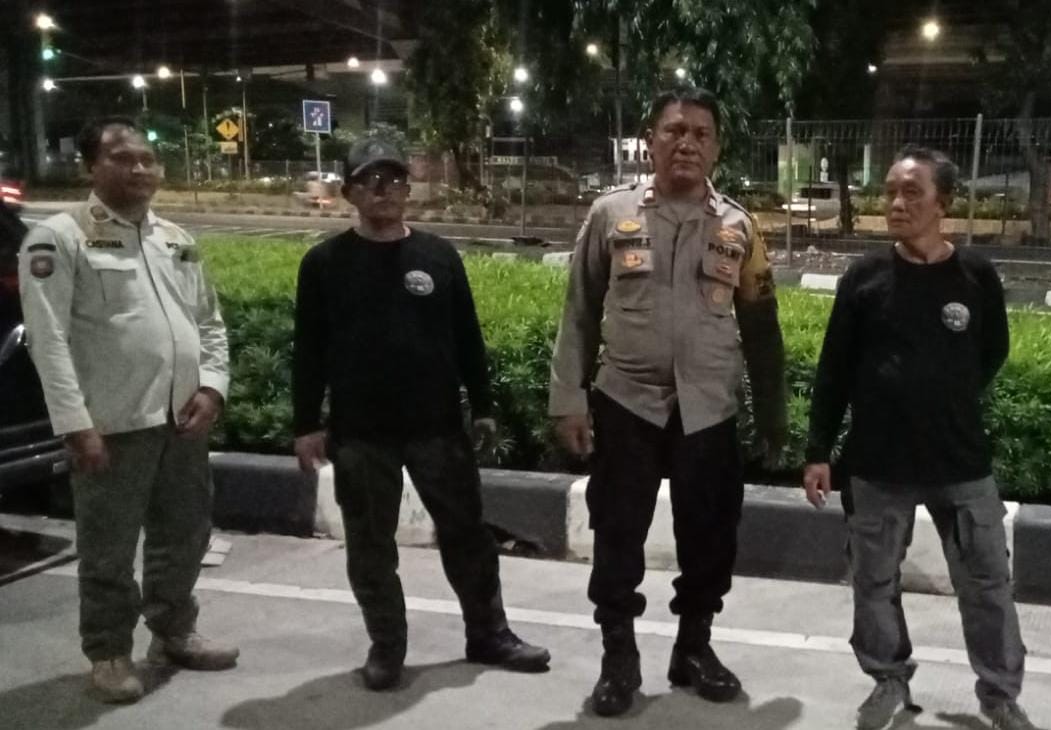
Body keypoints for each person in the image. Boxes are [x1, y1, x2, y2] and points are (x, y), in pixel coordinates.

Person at [548, 86, 787, 717]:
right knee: (617, 533)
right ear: (650, 141)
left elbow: (762, 326)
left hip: (708, 408)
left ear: (717, 148)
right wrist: (569, 399)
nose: (687, 143)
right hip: (626, 401)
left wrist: (774, 413)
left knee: (710, 535)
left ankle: (693, 649)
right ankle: (618, 658)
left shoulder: (739, 227)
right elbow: (579, 311)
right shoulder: (610, 213)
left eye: (701, 134)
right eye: (674, 131)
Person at [291, 137, 550, 691]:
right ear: (349, 192)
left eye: (394, 180)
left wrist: (483, 407)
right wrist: (306, 424)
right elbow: (308, 349)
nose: (384, 190)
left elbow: (467, 336)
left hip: (438, 427)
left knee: (468, 537)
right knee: (370, 546)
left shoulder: (438, 256)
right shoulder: (324, 264)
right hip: (362, 434)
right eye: (371, 180)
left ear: (409, 190)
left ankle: (489, 633)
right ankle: (387, 647)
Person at [803, 147, 1036, 730]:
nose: (897, 204)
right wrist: (818, 451)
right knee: (874, 582)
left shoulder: (976, 276)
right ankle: (888, 679)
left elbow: (992, 352)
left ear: (944, 203)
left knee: (987, 584)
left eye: (912, 192)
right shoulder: (865, 278)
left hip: (961, 461)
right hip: (876, 464)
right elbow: (834, 369)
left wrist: (942, 396)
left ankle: (999, 694)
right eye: (890, 192)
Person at [19, 116, 237, 703]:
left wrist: (212, 388)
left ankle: (174, 632)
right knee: (109, 547)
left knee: (185, 534)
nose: (139, 168)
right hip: (111, 425)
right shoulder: (58, 238)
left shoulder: (177, 238)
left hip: (182, 419)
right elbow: (48, 340)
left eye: (147, 158)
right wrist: (75, 424)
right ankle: (109, 652)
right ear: (91, 166)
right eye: (122, 158)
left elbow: (209, 322)